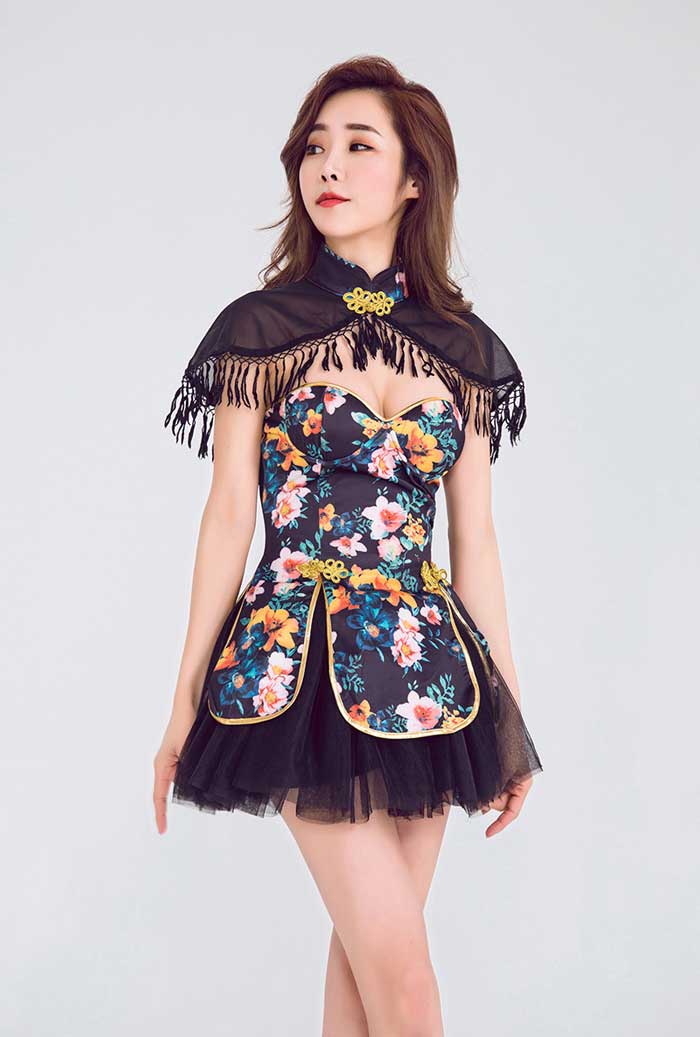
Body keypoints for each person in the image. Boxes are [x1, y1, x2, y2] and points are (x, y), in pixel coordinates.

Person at [153, 55, 543, 1036]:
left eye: (358, 145)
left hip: (429, 676)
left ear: (414, 178)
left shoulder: (462, 349)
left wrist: (508, 712)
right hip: (297, 668)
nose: (327, 165)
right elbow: (227, 517)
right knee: (407, 988)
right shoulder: (261, 330)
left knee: (369, 985)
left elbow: (476, 541)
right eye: (313, 148)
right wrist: (183, 695)